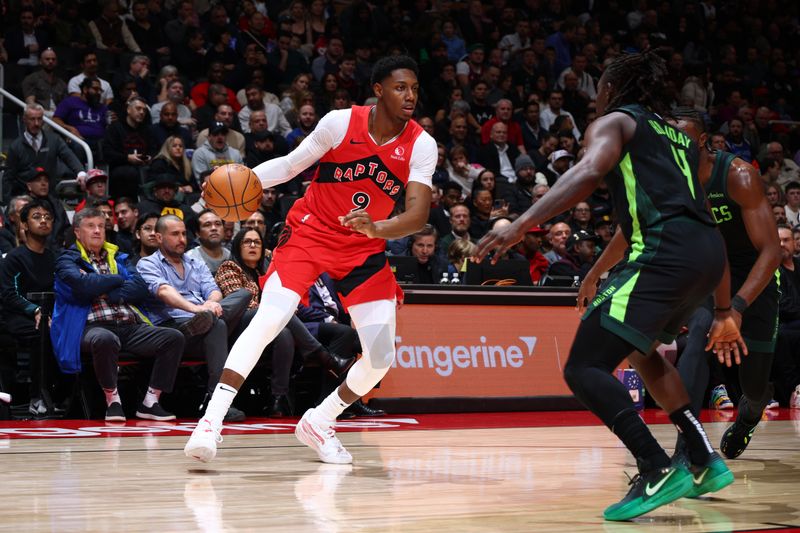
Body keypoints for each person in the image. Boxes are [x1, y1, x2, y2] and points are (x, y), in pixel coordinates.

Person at [474, 50, 742, 521]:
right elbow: (689, 217)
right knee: (641, 351)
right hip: (704, 254)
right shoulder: (676, 137)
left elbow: (588, 171)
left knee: (583, 367)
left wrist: (519, 225)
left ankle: (655, 466)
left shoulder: (616, 121)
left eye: (599, 88)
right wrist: (722, 309)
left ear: (611, 89)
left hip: (666, 252)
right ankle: (701, 456)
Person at [185, 55, 436, 464]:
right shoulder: (340, 123)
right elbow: (288, 167)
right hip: (311, 231)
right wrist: (235, 182)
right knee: (269, 319)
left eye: (413, 89)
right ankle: (210, 423)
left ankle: (320, 421)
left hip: (363, 248)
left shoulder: (421, 145)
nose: (409, 96)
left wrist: (374, 229)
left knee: (381, 357)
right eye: (400, 87)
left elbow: (417, 217)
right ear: (378, 90)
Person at [662, 108, 781, 460]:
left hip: (754, 279)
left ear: (700, 142)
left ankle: (748, 416)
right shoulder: (669, 177)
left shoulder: (739, 176)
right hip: (709, 273)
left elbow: (772, 251)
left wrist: (738, 308)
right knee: (696, 337)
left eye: (680, 139)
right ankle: (688, 449)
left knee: (754, 386)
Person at [51, 207, 184, 422]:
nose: (97, 231)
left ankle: (151, 401)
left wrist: (101, 287)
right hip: (91, 328)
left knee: (173, 337)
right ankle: (113, 400)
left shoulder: (120, 257)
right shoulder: (67, 260)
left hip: (130, 326)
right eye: (91, 226)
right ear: (77, 232)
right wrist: (118, 280)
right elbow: (81, 286)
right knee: (105, 338)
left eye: (101, 226)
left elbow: (140, 287)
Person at [215, 229, 351, 417]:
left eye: (257, 242)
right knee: (277, 312)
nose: (253, 245)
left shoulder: (263, 271)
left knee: (284, 333)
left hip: (266, 324)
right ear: (238, 246)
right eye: (247, 242)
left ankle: (278, 399)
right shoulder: (229, 267)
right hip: (237, 325)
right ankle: (322, 355)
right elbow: (238, 302)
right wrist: (278, 309)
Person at [137, 215, 251, 422]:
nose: (181, 239)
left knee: (243, 295)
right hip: (173, 330)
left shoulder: (194, 262)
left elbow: (214, 290)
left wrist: (211, 304)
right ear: (159, 237)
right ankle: (220, 403)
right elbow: (164, 292)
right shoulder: (147, 264)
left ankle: (206, 321)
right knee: (217, 324)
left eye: (183, 233)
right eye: (175, 234)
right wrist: (197, 309)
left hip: (206, 325)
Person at [0, 199, 56, 416]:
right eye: (36, 216)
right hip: (15, 317)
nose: (43, 220)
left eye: (47, 217)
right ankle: (37, 396)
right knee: (40, 332)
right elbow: (8, 294)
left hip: (49, 315)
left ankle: (63, 393)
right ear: (23, 225)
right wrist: (34, 310)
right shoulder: (14, 258)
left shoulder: (54, 257)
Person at [3, 104, 84, 203]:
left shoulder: (54, 140)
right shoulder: (16, 146)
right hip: (25, 198)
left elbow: (69, 157)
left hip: (49, 196)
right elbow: (8, 178)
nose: (36, 123)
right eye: (32, 119)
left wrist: (81, 172)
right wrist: (7, 204)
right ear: (24, 120)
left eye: (39, 119)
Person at [186, 209, 230, 275]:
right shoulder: (190, 259)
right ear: (198, 233)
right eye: (207, 225)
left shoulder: (231, 256)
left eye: (218, 224)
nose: (214, 228)